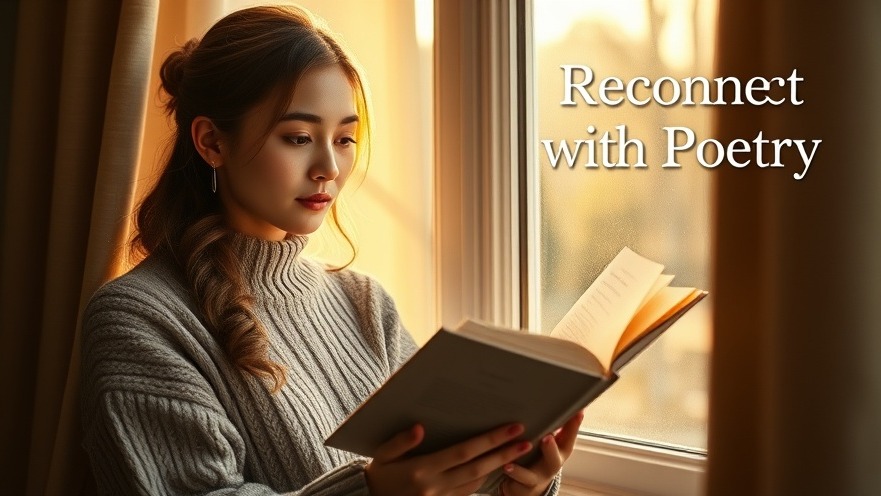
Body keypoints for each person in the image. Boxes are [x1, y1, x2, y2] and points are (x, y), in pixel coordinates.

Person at [79, 5, 581, 495]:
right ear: (211, 141)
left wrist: (513, 484)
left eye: (345, 139)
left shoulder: (365, 303)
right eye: (298, 137)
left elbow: (437, 469)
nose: (329, 167)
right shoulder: (135, 320)